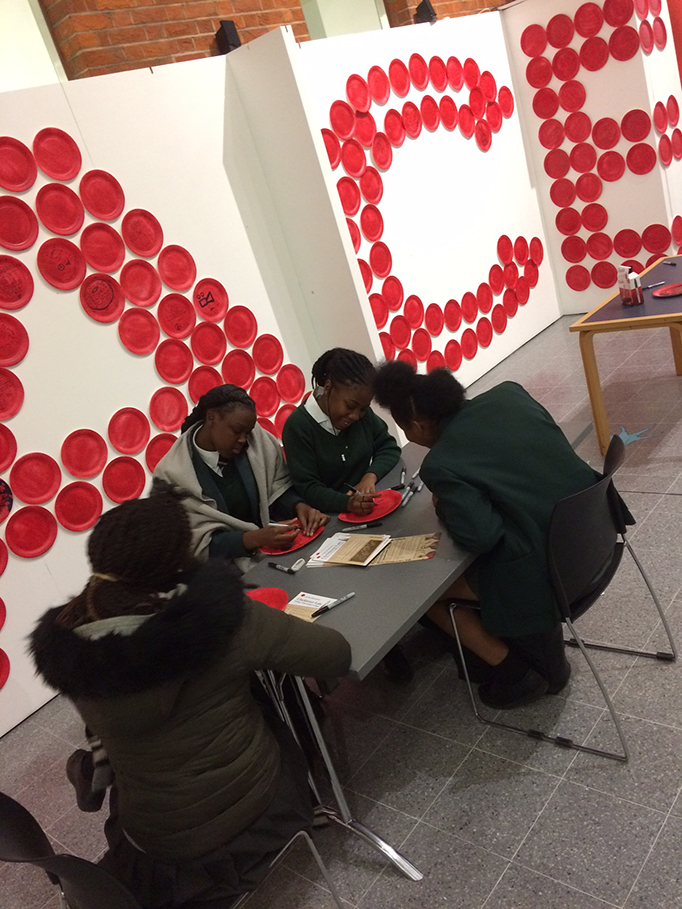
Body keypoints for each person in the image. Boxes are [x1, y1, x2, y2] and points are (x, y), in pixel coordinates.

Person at [30, 487, 351, 908]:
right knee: (274, 700)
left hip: (151, 837)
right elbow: (335, 655)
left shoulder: (70, 644)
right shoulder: (223, 621)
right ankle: (310, 809)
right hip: (251, 817)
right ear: (178, 564)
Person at [374, 360, 606, 709]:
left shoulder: (441, 462)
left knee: (427, 596)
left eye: (406, 430)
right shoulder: (509, 393)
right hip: (595, 534)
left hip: (549, 570)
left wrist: (444, 505)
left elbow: (481, 536)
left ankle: (513, 671)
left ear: (418, 425)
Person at [154, 384, 328, 571]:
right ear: (211, 417)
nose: (243, 439)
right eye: (237, 431)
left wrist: (299, 506)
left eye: (247, 432)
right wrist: (253, 539)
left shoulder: (257, 439)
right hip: (218, 575)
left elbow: (276, 489)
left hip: (272, 557)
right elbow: (191, 546)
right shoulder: (172, 473)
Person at [281, 348, 400, 516]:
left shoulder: (360, 412)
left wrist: (370, 476)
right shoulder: (298, 426)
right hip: (331, 518)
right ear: (328, 388)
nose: (356, 416)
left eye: (363, 409)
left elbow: (388, 446)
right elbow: (308, 487)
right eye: (350, 406)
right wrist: (348, 503)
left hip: (366, 508)